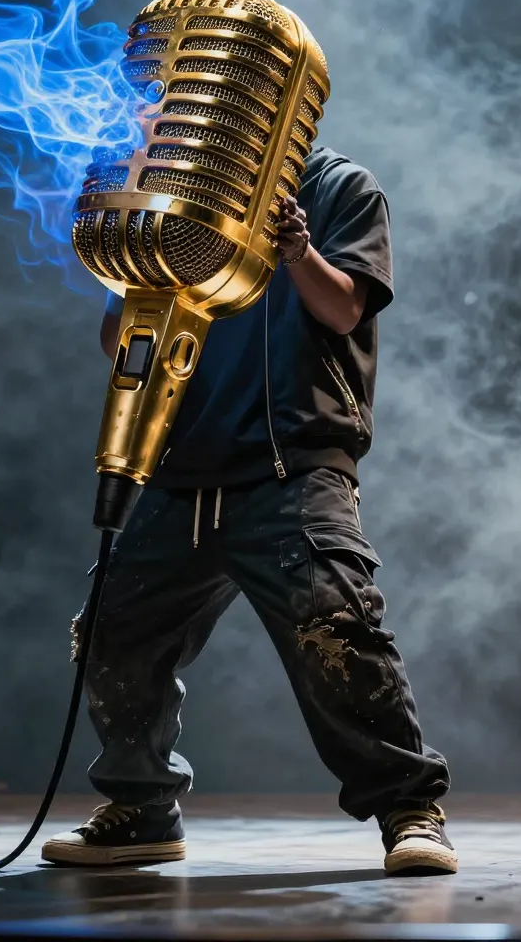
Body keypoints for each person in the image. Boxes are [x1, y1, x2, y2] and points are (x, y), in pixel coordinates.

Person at [41, 146, 455, 876]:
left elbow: (344, 308)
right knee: (114, 632)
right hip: (181, 471)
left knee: (335, 630)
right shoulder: (173, 193)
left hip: (292, 468)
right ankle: (142, 810)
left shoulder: (339, 186)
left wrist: (297, 251)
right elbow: (117, 344)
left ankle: (410, 809)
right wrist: (134, 255)